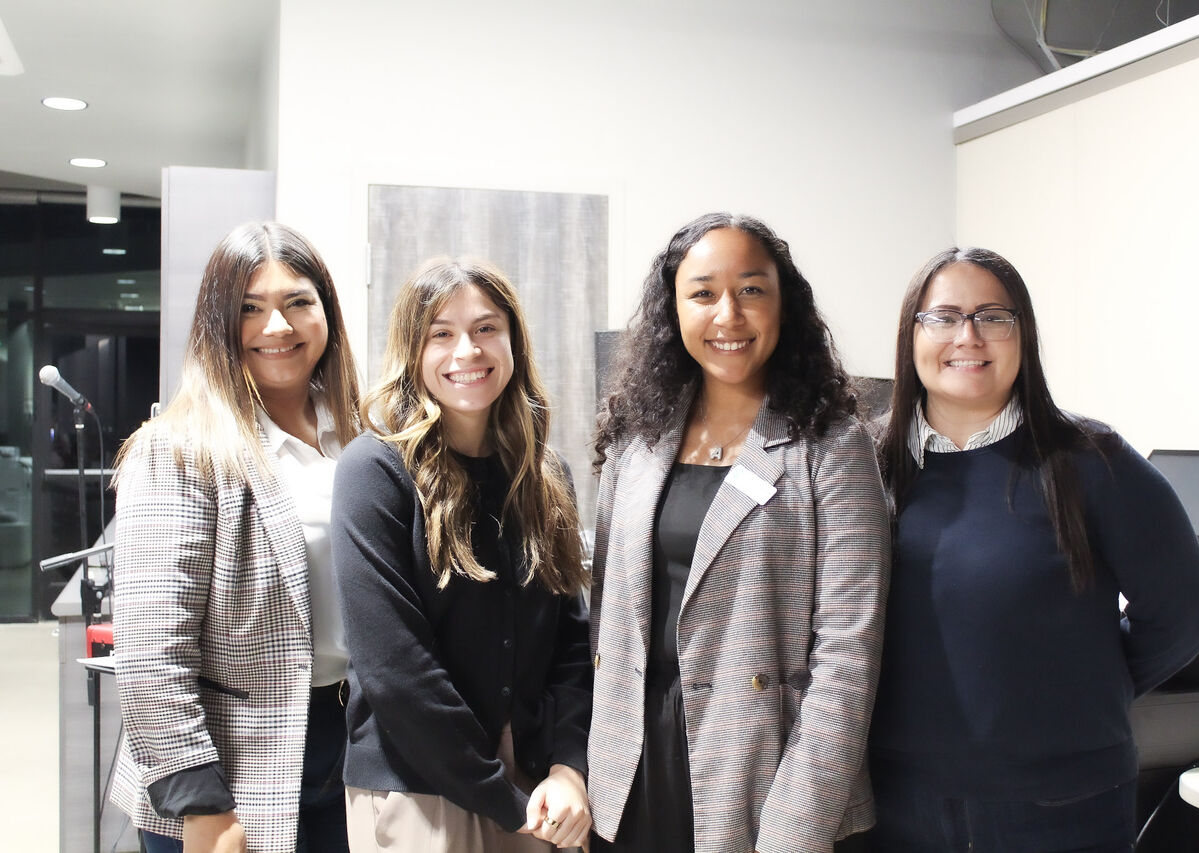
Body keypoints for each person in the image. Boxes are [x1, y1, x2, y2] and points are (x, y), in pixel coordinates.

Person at [868, 247, 1199, 852]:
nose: (968, 336)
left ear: (1022, 334)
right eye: (944, 317)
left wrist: (1084, 690)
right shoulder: (864, 465)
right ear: (911, 334)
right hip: (896, 806)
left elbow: (1183, 613)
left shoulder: (1090, 459)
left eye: (992, 317)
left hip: (1062, 805)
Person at [587, 213, 890, 853]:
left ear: (785, 303)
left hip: (769, 768)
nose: (728, 315)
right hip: (635, 761)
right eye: (703, 293)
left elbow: (847, 657)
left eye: (751, 289)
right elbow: (605, 616)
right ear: (673, 309)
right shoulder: (637, 441)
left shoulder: (830, 446)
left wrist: (798, 824)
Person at [110, 222, 364, 853]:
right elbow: (151, 651)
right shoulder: (177, 449)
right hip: (229, 766)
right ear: (217, 321)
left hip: (353, 747)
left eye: (298, 301)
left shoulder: (363, 436)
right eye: (250, 308)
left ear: (326, 312)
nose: (277, 326)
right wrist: (201, 802)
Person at [330, 257, 592, 852]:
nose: (467, 351)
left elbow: (572, 641)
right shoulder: (374, 470)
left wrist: (569, 767)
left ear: (513, 341)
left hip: (539, 788)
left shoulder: (546, 474)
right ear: (412, 352)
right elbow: (395, 670)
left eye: (485, 328)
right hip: (418, 790)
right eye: (441, 334)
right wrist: (502, 799)